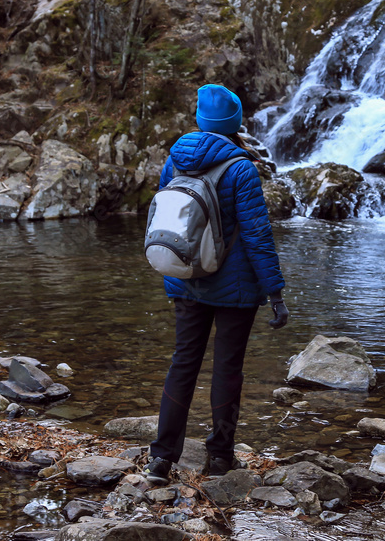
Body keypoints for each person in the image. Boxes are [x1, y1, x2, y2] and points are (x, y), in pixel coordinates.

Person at [143, 83, 289, 485]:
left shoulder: (175, 159)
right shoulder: (241, 167)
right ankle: (221, 458)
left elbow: (163, 217)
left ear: (200, 120)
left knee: (182, 363)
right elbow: (258, 236)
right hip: (235, 289)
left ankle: (161, 459)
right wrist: (275, 293)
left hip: (185, 278)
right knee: (227, 368)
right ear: (235, 122)